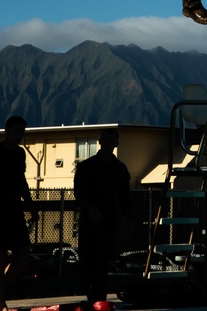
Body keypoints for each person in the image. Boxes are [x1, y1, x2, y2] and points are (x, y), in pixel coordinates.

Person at [0, 115, 37, 311]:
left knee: (23, 255)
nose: (19, 134)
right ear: (7, 131)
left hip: (14, 210)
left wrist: (31, 207)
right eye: (16, 130)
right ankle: (0, 302)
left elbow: (22, 183)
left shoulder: (20, 154)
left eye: (22, 131)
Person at [73, 128, 131, 304]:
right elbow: (79, 193)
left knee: (102, 260)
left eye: (111, 139)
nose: (107, 142)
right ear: (100, 141)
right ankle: (92, 294)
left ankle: (98, 297)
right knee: (88, 259)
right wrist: (90, 208)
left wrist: (127, 217)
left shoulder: (120, 169)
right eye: (105, 138)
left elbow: (125, 197)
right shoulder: (86, 167)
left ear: (116, 144)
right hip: (89, 222)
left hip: (108, 222)